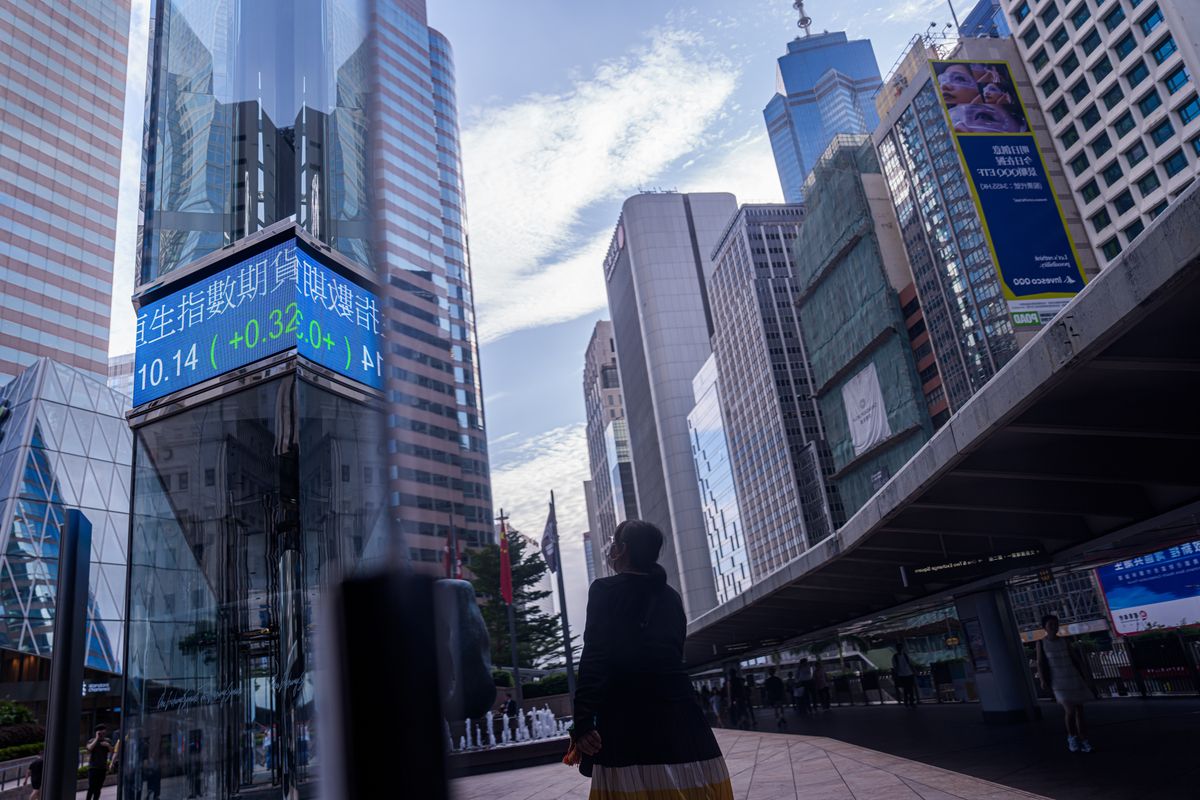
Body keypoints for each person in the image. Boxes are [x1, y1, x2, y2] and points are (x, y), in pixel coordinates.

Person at [571, 519, 733, 799]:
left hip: (627, 719)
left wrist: (583, 722)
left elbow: (595, 657)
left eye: (613, 543)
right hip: (682, 717)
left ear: (621, 549)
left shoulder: (605, 590)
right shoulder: (671, 597)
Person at [1036, 613, 1095, 753]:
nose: (1054, 627)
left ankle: (1084, 740)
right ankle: (1072, 737)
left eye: (1055, 624)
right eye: (1050, 625)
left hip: (1072, 676)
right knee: (1070, 710)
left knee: (1079, 710)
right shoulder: (1041, 643)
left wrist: (1085, 675)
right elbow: (1040, 662)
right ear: (1044, 627)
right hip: (1058, 680)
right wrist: (1043, 680)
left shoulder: (1065, 641)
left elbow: (1075, 658)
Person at [85, 724, 114, 800]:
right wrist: (96, 739)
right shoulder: (91, 741)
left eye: (104, 733)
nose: (102, 734)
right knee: (91, 787)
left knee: (98, 788)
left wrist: (108, 745)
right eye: (101, 732)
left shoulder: (107, 741)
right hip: (93, 768)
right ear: (97, 732)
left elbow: (112, 751)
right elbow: (89, 748)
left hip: (102, 768)